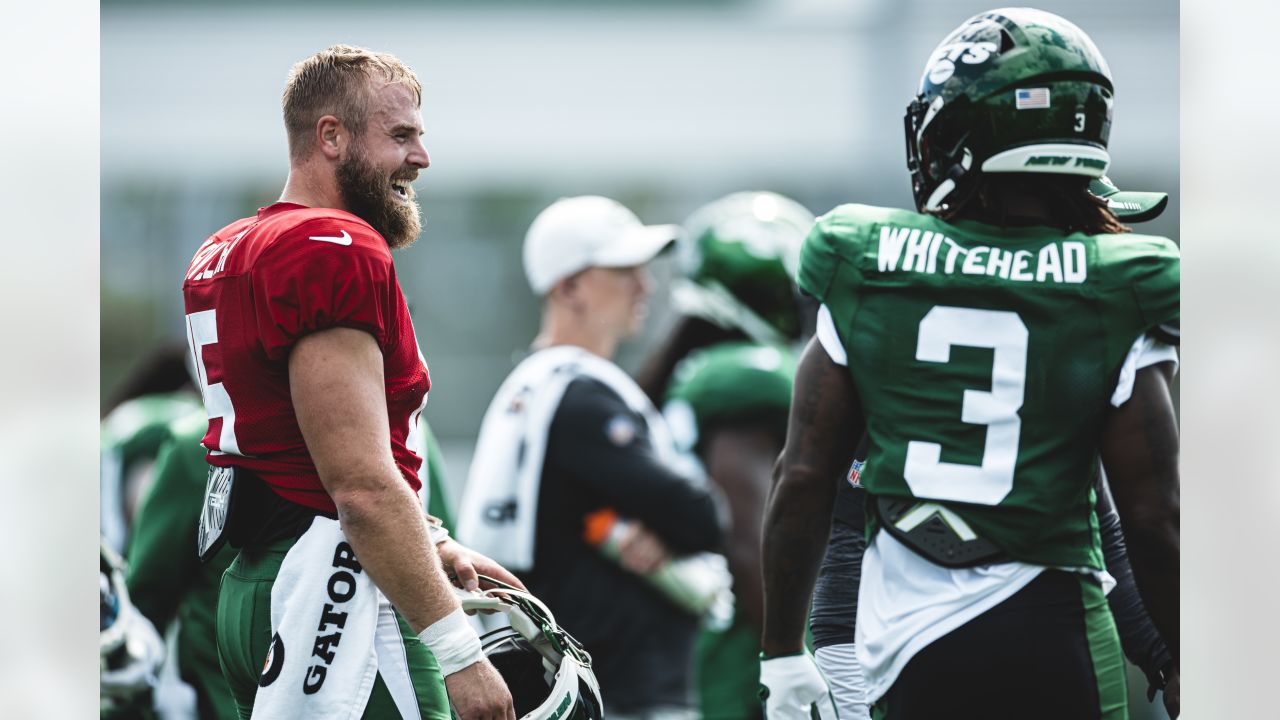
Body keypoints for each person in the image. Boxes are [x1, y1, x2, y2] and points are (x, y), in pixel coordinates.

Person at [760, 9, 1179, 720]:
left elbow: (804, 476)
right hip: (1056, 623)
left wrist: (780, 653)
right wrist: (1179, 660)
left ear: (954, 131)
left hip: (906, 635)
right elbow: (1148, 513)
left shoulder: (869, 263)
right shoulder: (1117, 280)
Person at [180, 44, 520, 719]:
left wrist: (428, 542)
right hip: (334, 586)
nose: (420, 157)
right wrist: (459, 652)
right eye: (400, 136)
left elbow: (300, 448)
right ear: (330, 136)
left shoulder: (225, 246)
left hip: (254, 584)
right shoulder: (330, 246)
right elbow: (358, 487)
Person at [805, 177, 1180, 720]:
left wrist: (1164, 656)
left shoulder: (913, 308)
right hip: (893, 629)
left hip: (918, 632)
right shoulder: (1027, 335)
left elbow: (1108, 526)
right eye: (1089, 220)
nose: (1106, 238)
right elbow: (831, 504)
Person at [457, 195, 726, 718]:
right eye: (624, 269)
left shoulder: (535, 387)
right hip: (621, 688)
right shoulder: (580, 397)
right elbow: (702, 517)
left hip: (575, 683)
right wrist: (654, 528)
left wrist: (630, 526)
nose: (644, 284)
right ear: (569, 287)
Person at [634, 190, 815, 720]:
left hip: (690, 642)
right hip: (740, 658)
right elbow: (751, 539)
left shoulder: (690, 372)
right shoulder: (745, 376)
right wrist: (790, 656)